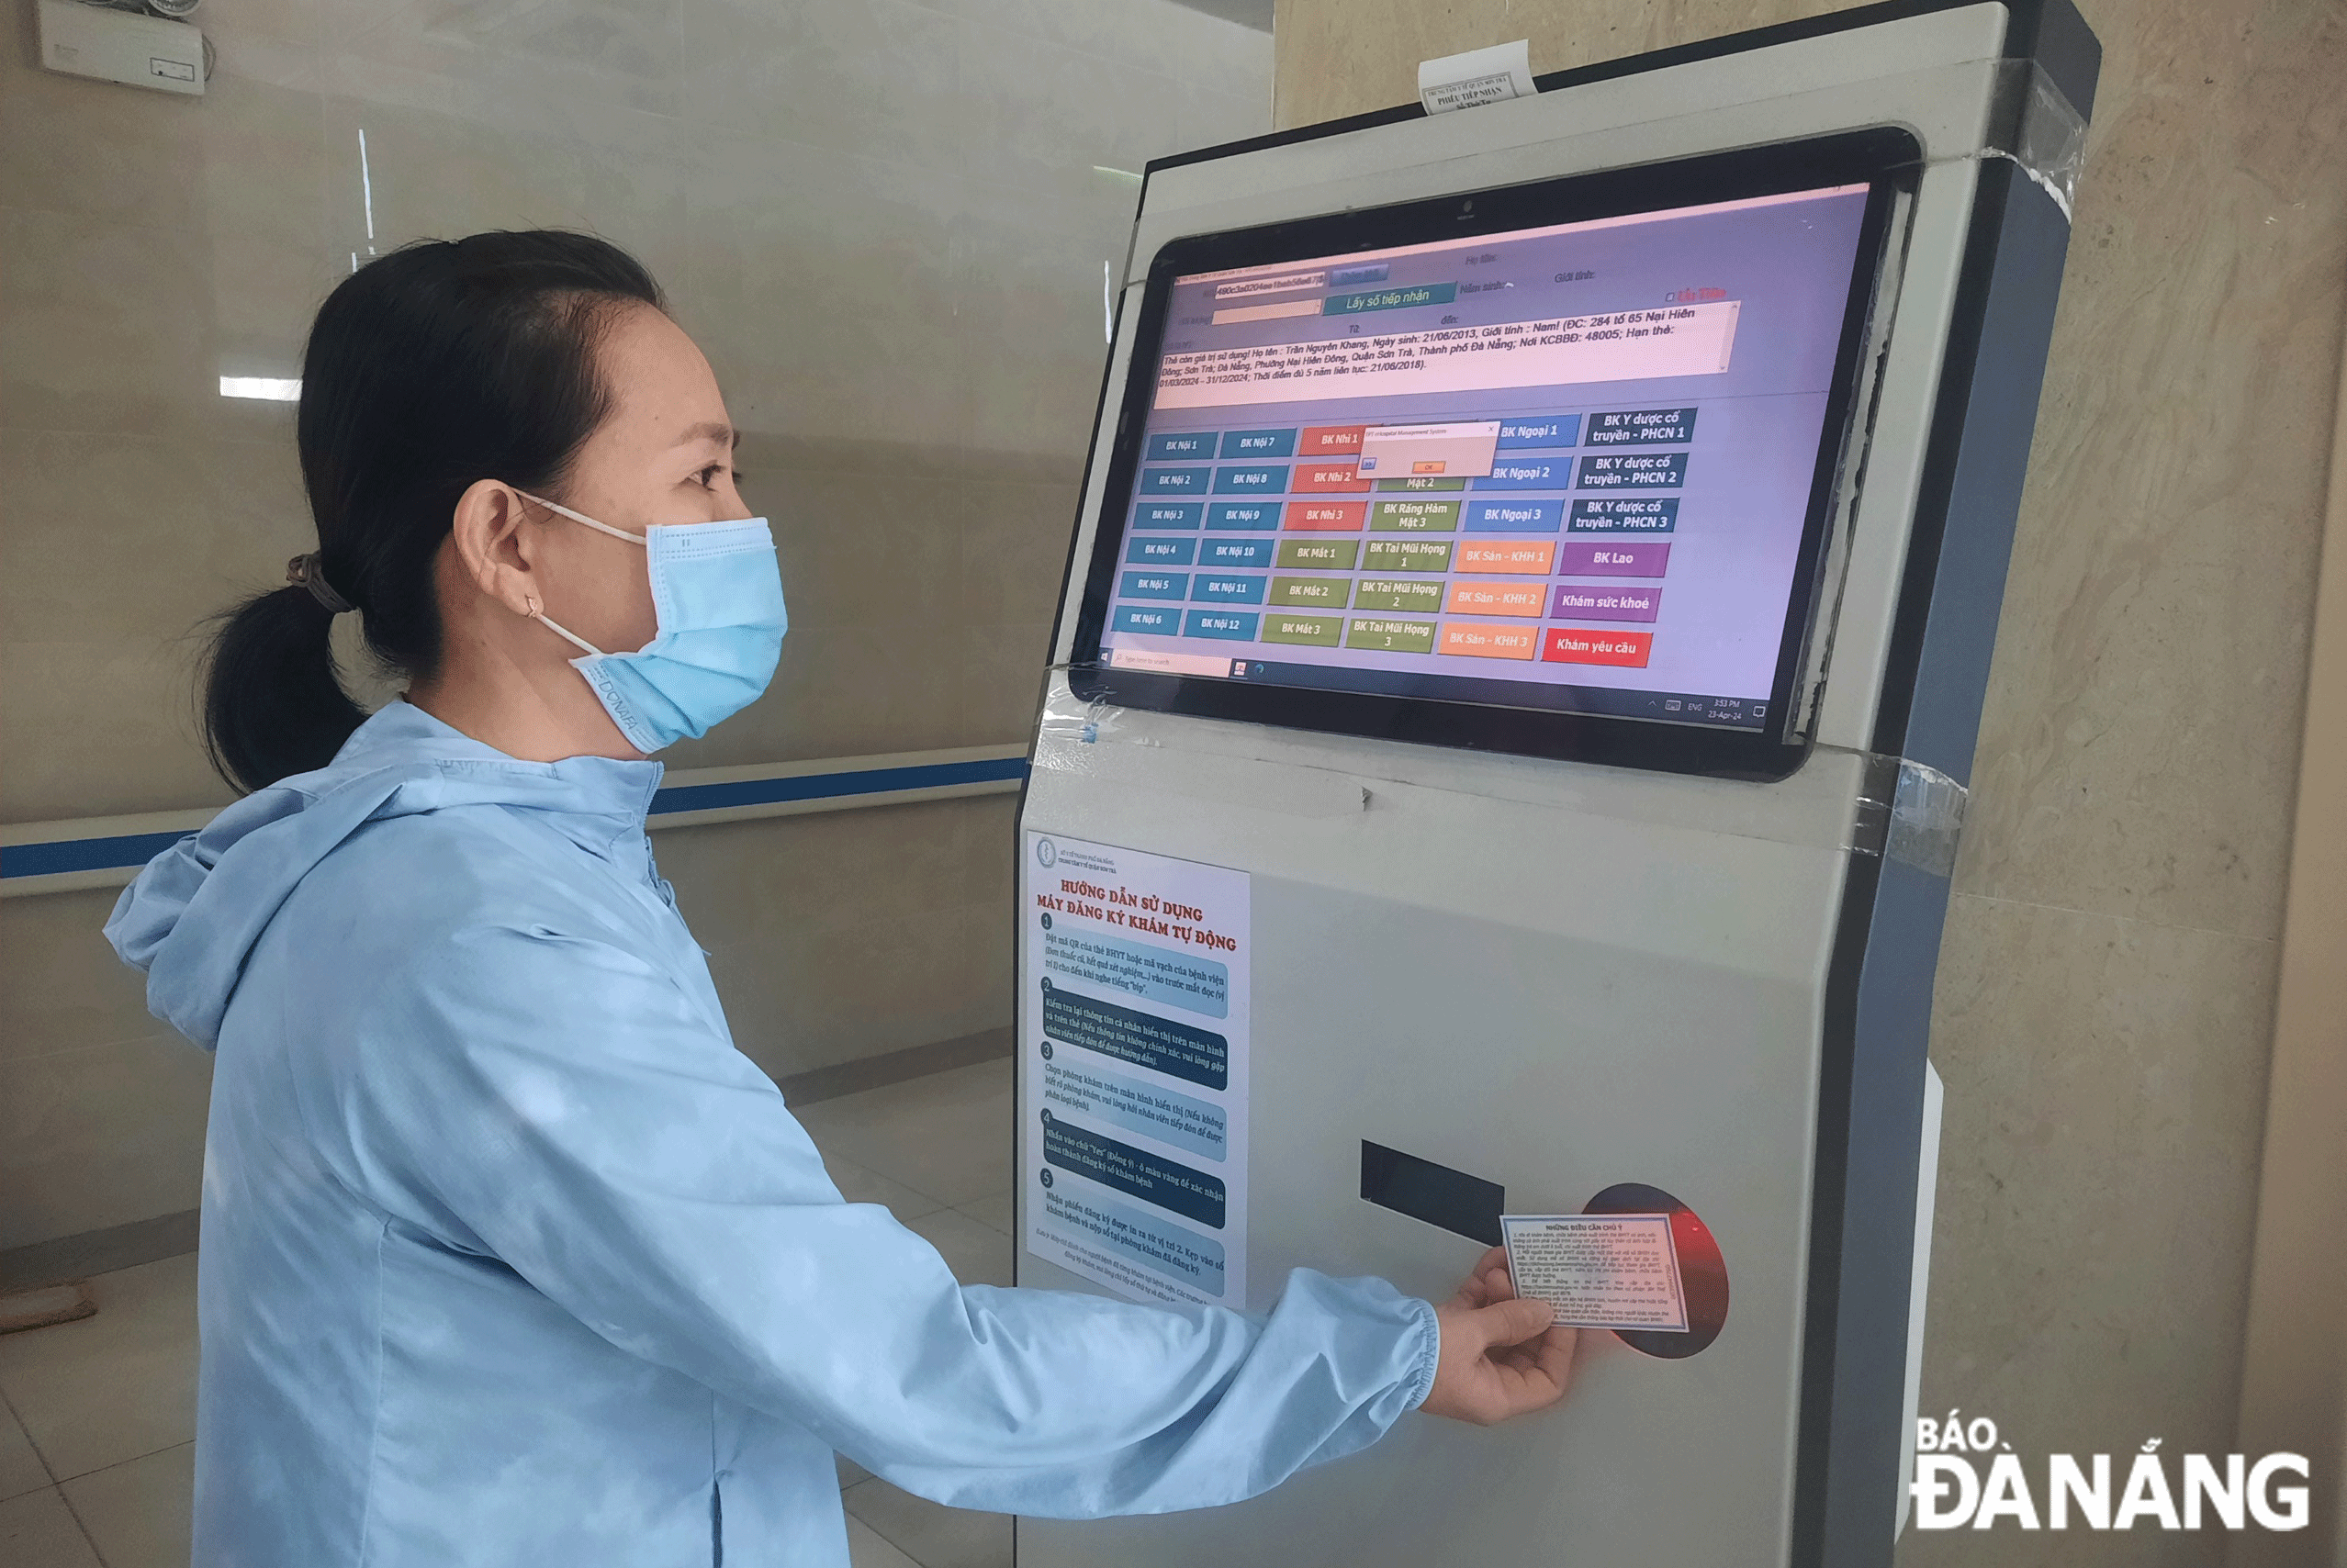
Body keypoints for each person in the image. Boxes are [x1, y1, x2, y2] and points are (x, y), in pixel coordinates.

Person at [106, 230, 1574, 1568]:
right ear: (508, 543)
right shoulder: (481, 940)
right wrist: (1386, 1360)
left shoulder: (449, 850)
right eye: (700, 477)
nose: (744, 524)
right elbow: (917, 1376)